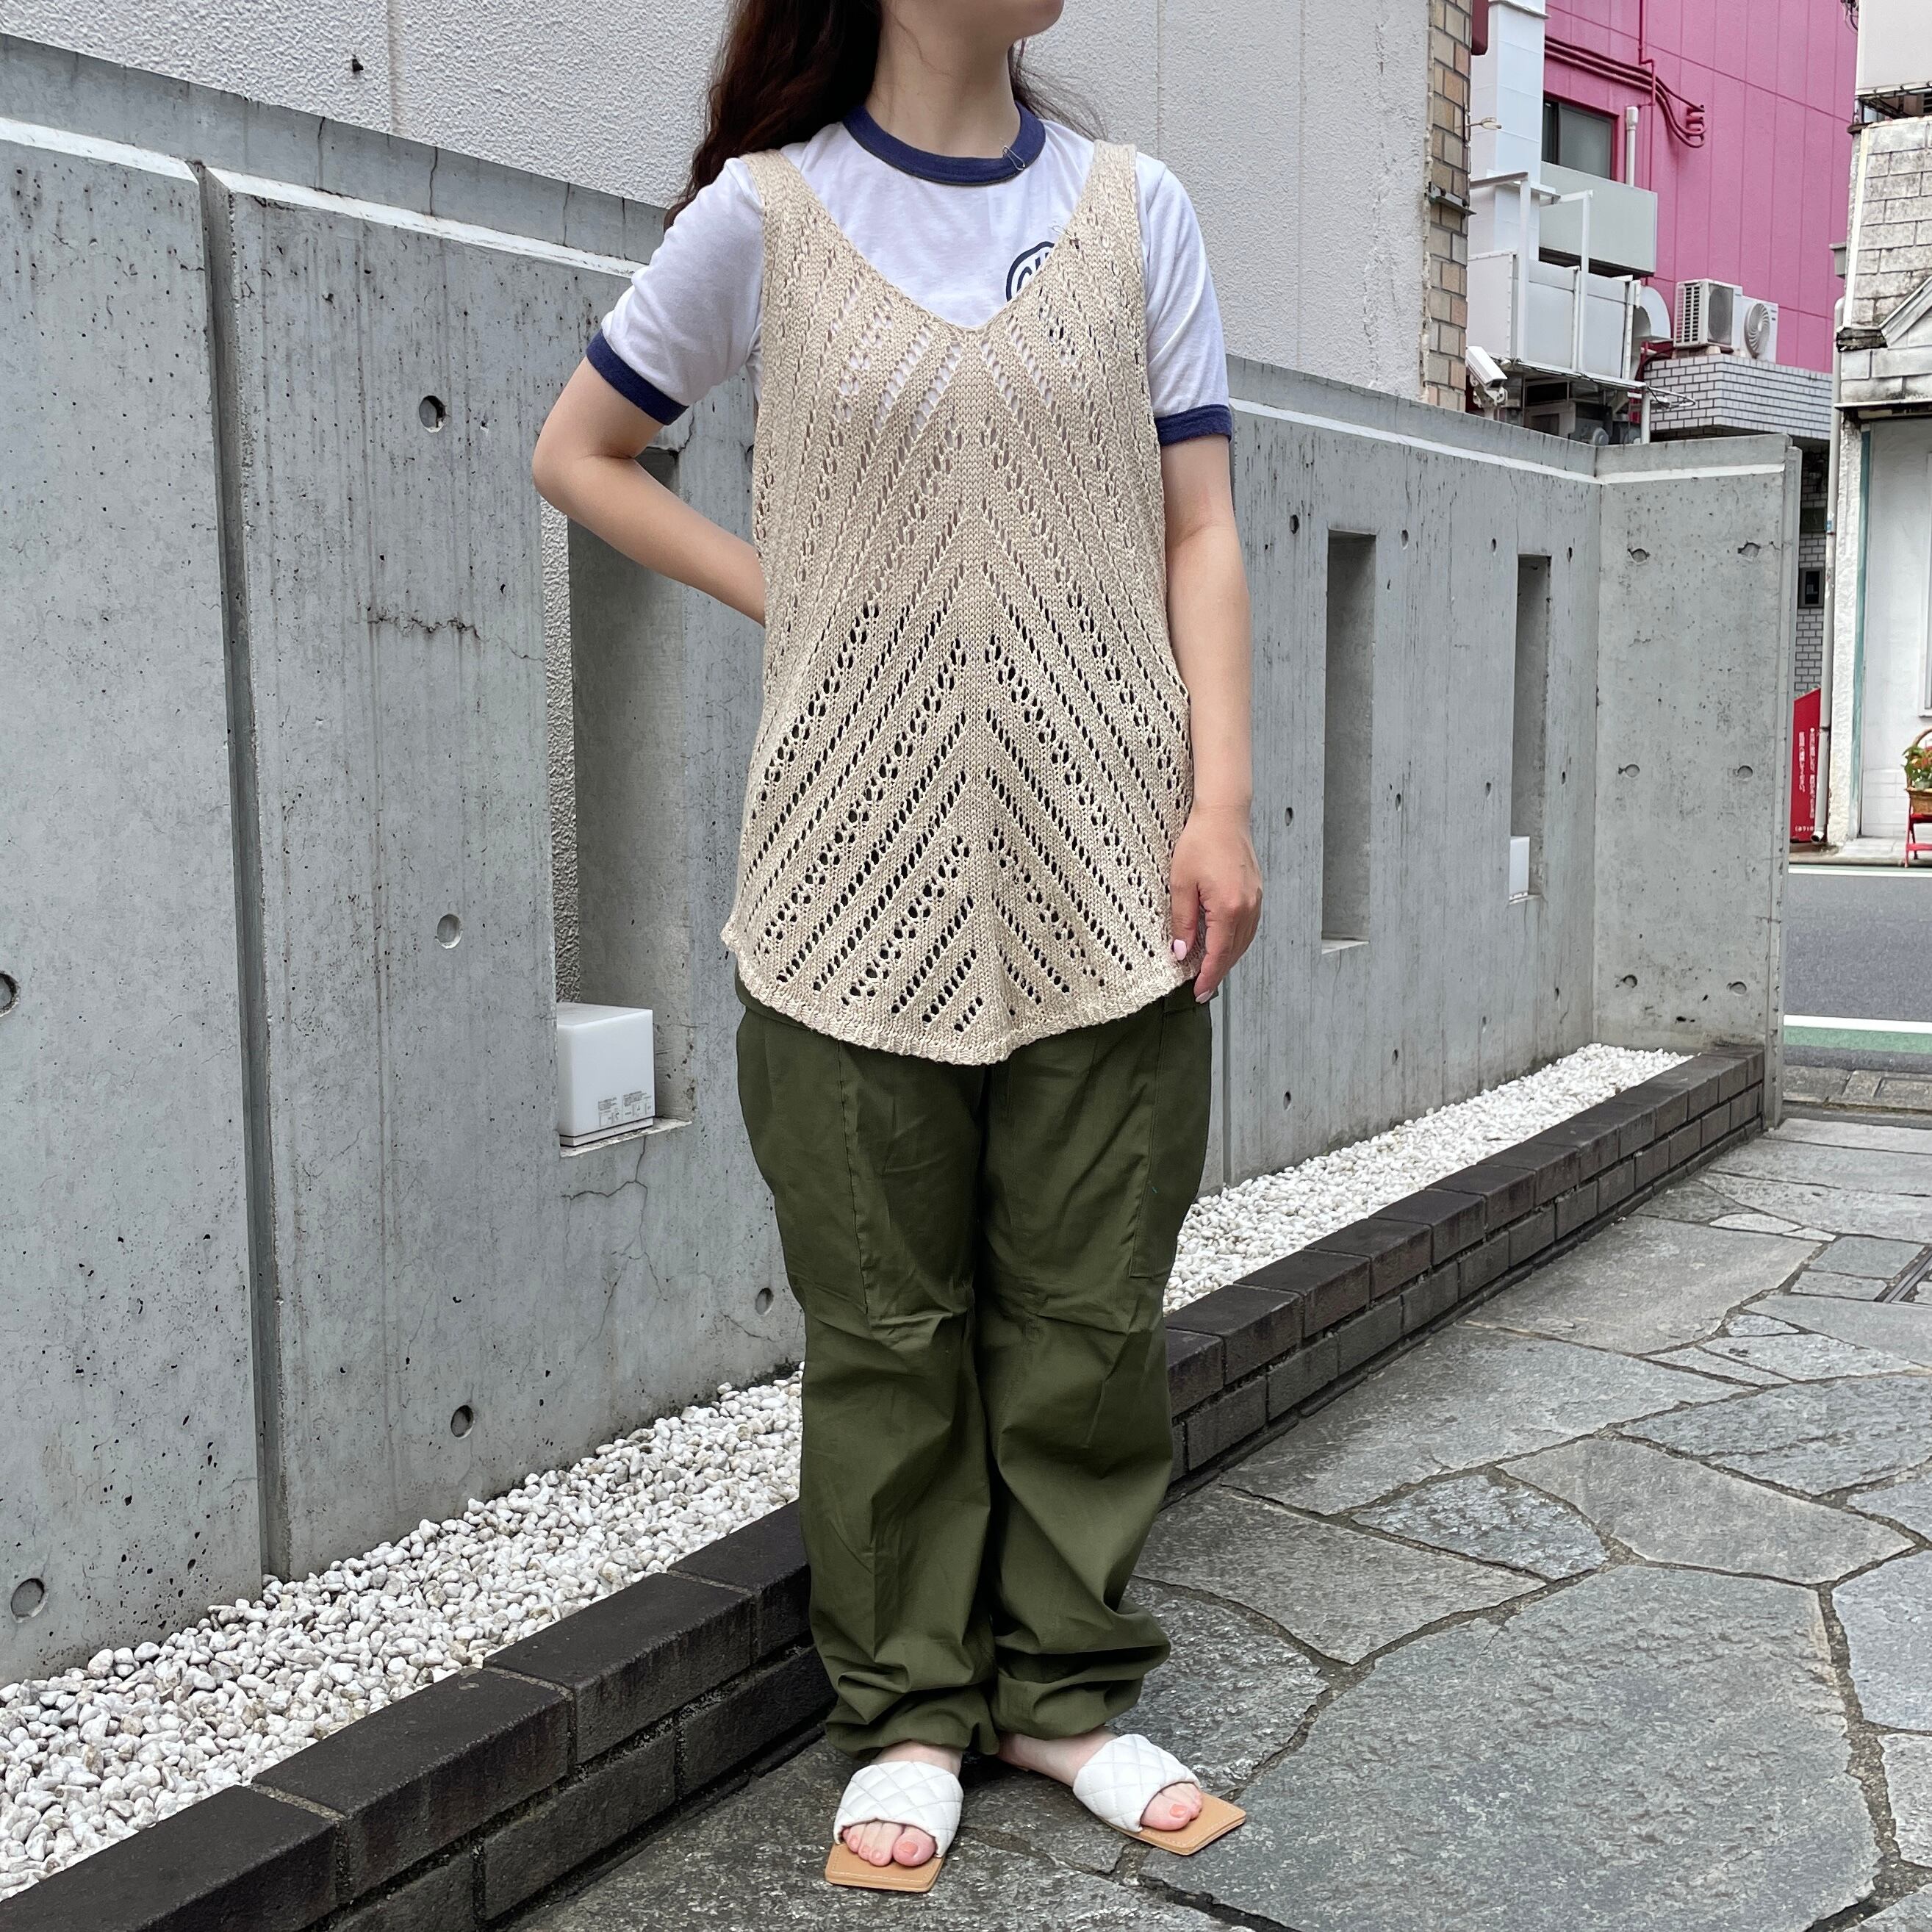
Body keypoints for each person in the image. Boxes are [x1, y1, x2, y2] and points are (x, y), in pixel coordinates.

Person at [532, 0, 1262, 1893]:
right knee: (885, 1330)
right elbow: (583, 450)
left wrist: (1223, 802)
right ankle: (913, 1709)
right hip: (845, 880)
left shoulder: (1136, 211)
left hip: (1113, 864)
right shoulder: (764, 215)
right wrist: (798, 598)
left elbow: (1200, 525)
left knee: (1089, 1319)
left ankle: (1064, 1693)